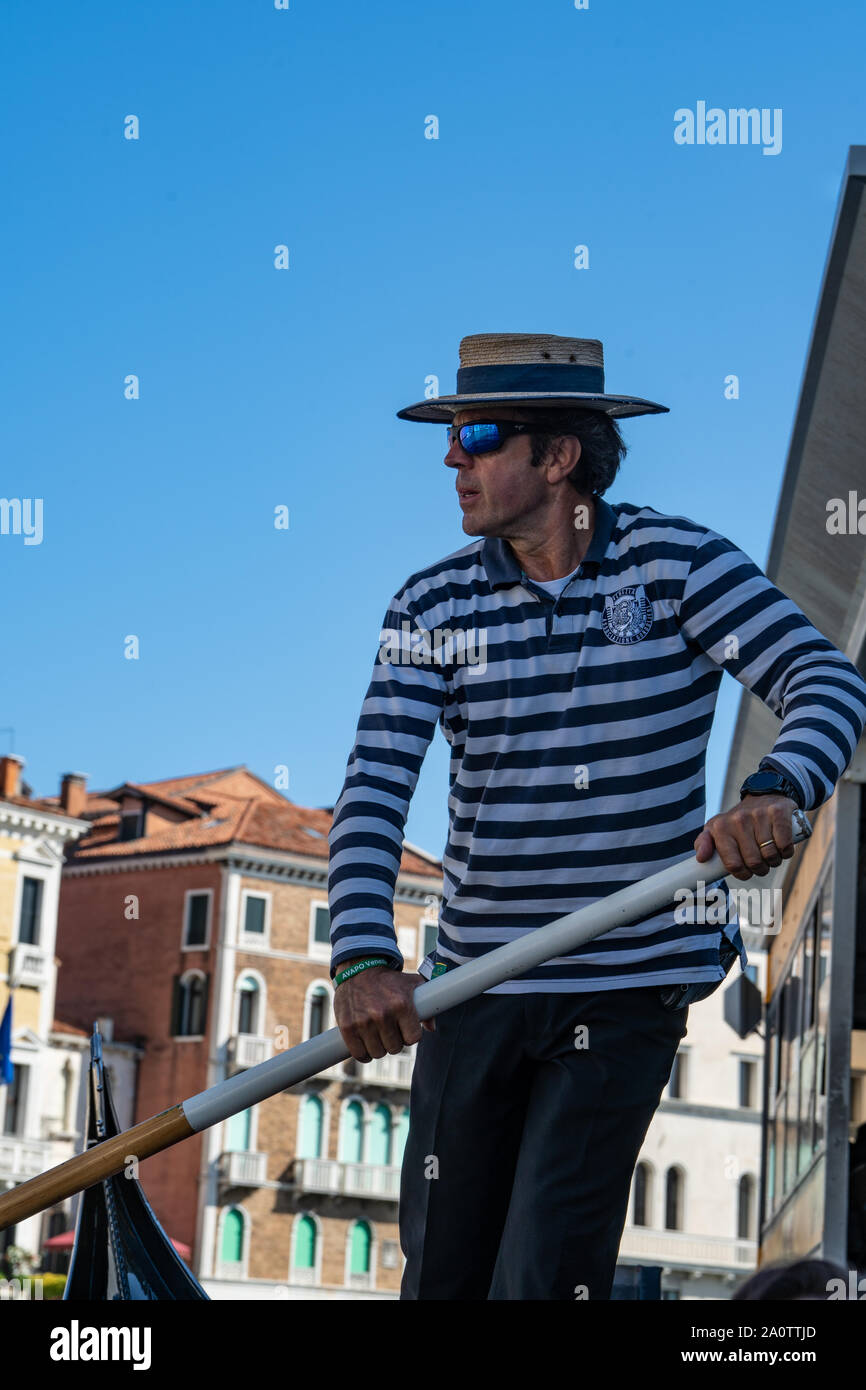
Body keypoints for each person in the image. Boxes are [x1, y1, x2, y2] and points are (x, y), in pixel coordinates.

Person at [327, 332, 866, 1300]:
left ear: (559, 455)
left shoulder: (675, 566)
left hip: (625, 983)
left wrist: (776, 787)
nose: (452, 457)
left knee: (543, 1271)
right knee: (442, 1275)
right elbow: (374, 785)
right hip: (471, 989)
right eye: (450, 436)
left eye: (478, 434)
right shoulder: (430, 603)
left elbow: (821, 676)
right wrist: (363, 958)